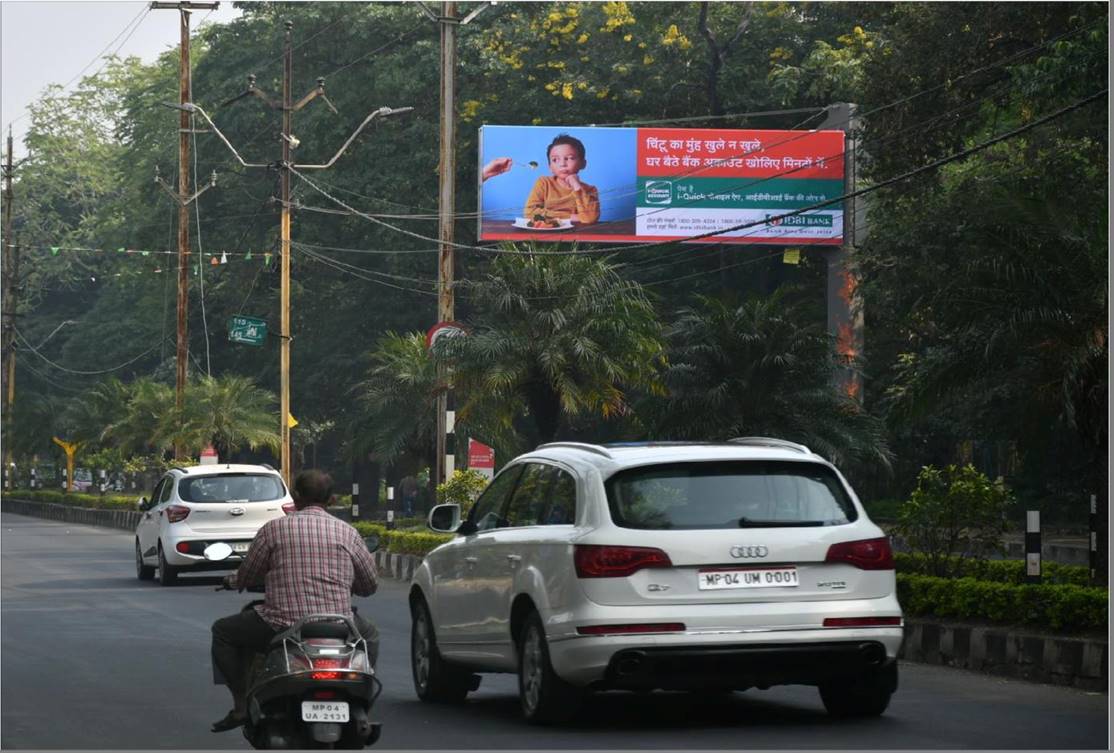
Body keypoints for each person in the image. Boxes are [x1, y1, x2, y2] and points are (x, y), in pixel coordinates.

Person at [209, 469, 379, 733]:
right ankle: (362, 699)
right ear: (331, 500)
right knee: (370, 635)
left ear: (295, 497)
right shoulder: (348, 533)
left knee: (222, 631)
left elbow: (248, 574)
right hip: (340, 626)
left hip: (280, 625)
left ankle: (241, 705)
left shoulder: (273, 529)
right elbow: (369, 585)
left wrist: (232, 581)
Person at [523, 134, 600, 225]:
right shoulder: (544, 183)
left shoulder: (590, 190)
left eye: (570, 158)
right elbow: (529, 212)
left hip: (576, 235)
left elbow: (590, 218)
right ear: (550, 167)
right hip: (546, 232)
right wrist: (572, 217)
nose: (562, 164)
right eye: (555, 160)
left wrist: (577, 186)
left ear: (583, 163)